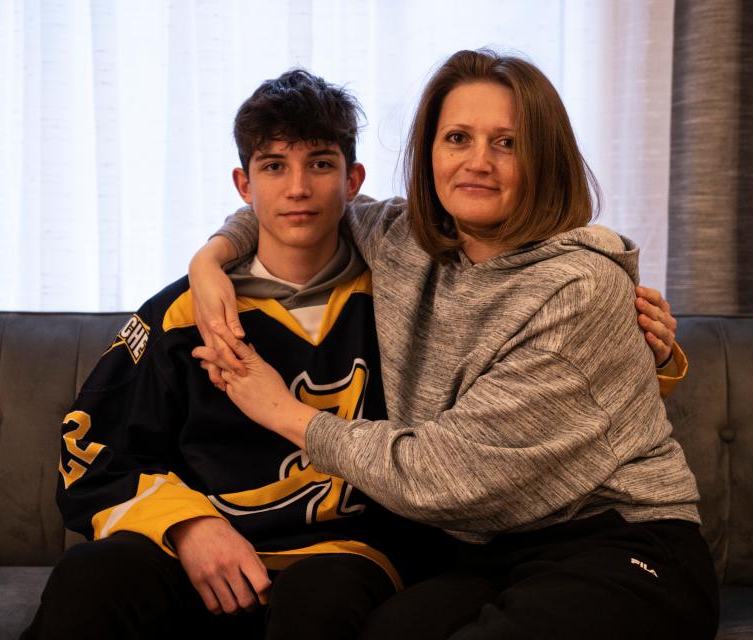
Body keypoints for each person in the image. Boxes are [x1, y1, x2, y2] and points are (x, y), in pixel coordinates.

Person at [189, 49, 718, 639]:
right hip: (488, 553)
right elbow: (312, 202)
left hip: (618, 540)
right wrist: (211, 257)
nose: (478, 163)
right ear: (430, 153)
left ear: (545, 158)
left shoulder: (578, 290)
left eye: (507, 143)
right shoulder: (408, 242)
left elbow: (441, 475)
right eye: (458, 138)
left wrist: (279, 410)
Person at [23, 69, 449, 640]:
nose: (297, 187)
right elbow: (91, 452)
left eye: (320, 164)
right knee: (90, 577)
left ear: (353, 180)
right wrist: (186, 524)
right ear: (244, 186)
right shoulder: (181, 313)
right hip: (205, 546)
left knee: (319, 604)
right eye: (274, 166)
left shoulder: (397, 299)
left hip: (343, 552)